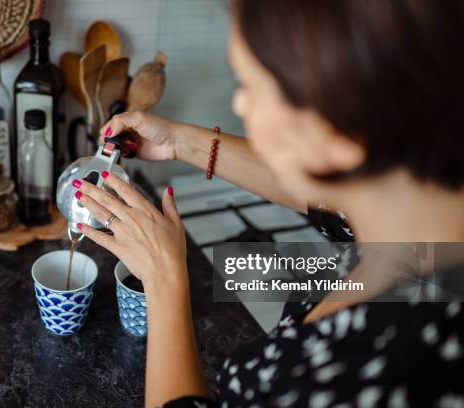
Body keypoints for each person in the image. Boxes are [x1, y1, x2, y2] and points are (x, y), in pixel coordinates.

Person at [70, 1, 464, 406]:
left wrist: (165, 280)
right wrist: (180, 142)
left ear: (340, 135)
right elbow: (338, 192)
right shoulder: (416, 209)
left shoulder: (376, 378)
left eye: (251, 87)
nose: (239, 106)